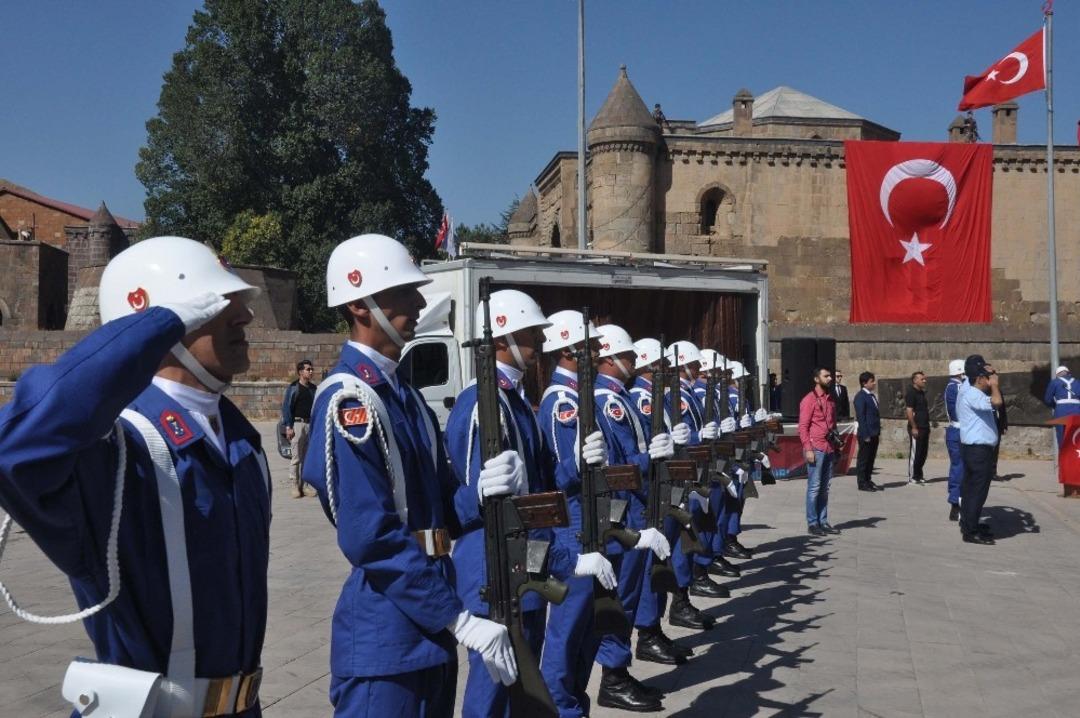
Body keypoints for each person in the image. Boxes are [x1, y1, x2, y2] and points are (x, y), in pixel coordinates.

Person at [0, 236, 270, 717]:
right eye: (214, 304)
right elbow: (14, 447)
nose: (244, 316)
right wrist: (159, 325)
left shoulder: (240, 440)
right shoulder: (117, 449)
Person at [302, 234, 515, 717]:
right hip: (388, 632)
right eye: (403, 292)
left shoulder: (406, 395)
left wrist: (480, 493)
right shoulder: (350, 400)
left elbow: (439, 506)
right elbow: (370, 536)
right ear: (359, 305)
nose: (419, 303)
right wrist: (456, 617)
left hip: (428, 622)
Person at [443, 290, 605, 718]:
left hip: (522, 562)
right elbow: (487, 504)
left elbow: (537, 488)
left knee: (521, 694)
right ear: (502, 338)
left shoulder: (512, 399)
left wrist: (574, 466)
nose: (540, 341)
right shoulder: (482, 403)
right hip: (494, 568)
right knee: (492, 698)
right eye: (531, 332)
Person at [536, 309, 615, 718]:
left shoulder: (579, 396)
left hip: (590, 520)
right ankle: (561, 708)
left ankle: (574, 706)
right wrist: (580, 463)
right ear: (568, 350)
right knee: (567, 635)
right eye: (591, 345)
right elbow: (557, 473)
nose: (599, 351)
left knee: (587, 631)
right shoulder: (561, 401)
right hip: (573, 525)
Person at [591, 324, 674, 712]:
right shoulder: (608, 401)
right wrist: (649, 458)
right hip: (624, 510)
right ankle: (613, 676)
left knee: (631, 593)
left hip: (637, 506)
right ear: (610, 359)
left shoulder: (619, 397)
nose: (634, 361)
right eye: (627, 355)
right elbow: (620, 467)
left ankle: (619, 670)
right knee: (620, 600)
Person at [628, 338, 714, 638]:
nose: (669, 369)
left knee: (673, 552)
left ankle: (673, 607)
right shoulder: (641, 398)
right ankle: (650, 630)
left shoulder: (658, 396)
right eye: (663, 364)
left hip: (671, 482)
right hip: (653, 489)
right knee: (656, 563)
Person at [956, 355, 1003, 545]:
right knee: (977, 491)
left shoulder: (968, 389)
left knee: (970, 489)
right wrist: (995, 385)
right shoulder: (973, 394)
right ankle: (971, 531)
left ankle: (969, 524)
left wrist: (990, 374)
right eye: (986, 377)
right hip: (978, 451)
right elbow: (997, 401)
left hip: (974, 449)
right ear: (979, 378)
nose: (989, 380)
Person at [799, 367, 839, 536]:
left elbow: (833, 424)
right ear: (817, 379)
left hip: (829, 448)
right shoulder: (809, 400)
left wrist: (837, 445)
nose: (830, 378)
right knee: (814, 487)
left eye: (830, 376)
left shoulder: (830, 399)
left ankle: (823, 521)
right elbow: (803, 427)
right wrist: (808, 449)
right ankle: (812, 523)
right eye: (826, 376)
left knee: (825, 488)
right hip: (816, 448)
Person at [281, 358, 317, 497]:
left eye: (311, 369)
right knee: (296, 457)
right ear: (300, 372)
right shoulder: (293, 388)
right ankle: (294, 486)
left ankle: (305, 486)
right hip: (297, 424)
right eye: (308, 369)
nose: (311, 371)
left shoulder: (313, 389)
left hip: (310, 425)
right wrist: (288, 427)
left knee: (307, 458)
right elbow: (286, 408)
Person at [943, 359, 966, 520]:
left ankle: (957, 503)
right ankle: (956, 504)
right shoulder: (957, 387)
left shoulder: (952, 386)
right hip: (960, 431)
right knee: (960, 469)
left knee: (958, 467)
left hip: (956, 431)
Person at [853, 371, 881, 492]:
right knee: (864, 459)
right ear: (864, 383)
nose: (874, 383)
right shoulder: (860, 397)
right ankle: (862, 482)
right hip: (867, 434)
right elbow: (861, 417)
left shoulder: (871, 396)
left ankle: (868, 479)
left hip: (874, 432)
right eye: (871, 381)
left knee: (871, 458)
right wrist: (865, 434)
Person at [905, 371, 931, 485]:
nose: (924, 381)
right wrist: (914, 427)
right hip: (917, 427)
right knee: (916, 453)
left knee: (923, 453)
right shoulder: (911, 393)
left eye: (924, 379)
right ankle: (912, 477)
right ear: (915, 380)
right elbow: (909, 411)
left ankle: (919, 475)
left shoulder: (921, 393)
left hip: (925, 427)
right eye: (922, 379)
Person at [1043, 365, 1079, 445]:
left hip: (1061, 410)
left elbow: (1048, 399)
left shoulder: (1055, 382)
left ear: (1058, 374)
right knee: (1076, 435)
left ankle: (1063, 451)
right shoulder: (1077, 382)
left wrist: (1055, 406)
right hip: (1077, 410)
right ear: (1068, 373)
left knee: (1061, 435)